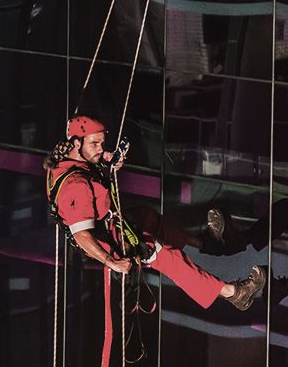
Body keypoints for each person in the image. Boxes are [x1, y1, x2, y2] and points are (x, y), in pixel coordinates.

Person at [47, 115, 265, 311]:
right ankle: (234, 294)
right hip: (113, 242)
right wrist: (112, 262)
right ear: (76, 143)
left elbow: (89, 159)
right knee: (168, 256)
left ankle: (208, 243)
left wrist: (107, 157)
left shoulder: (67, 158)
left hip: (112, 224)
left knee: (147, 216)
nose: (99, 148)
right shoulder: (76, 185)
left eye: (101, 143)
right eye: (94, 144)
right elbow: (81, 235)